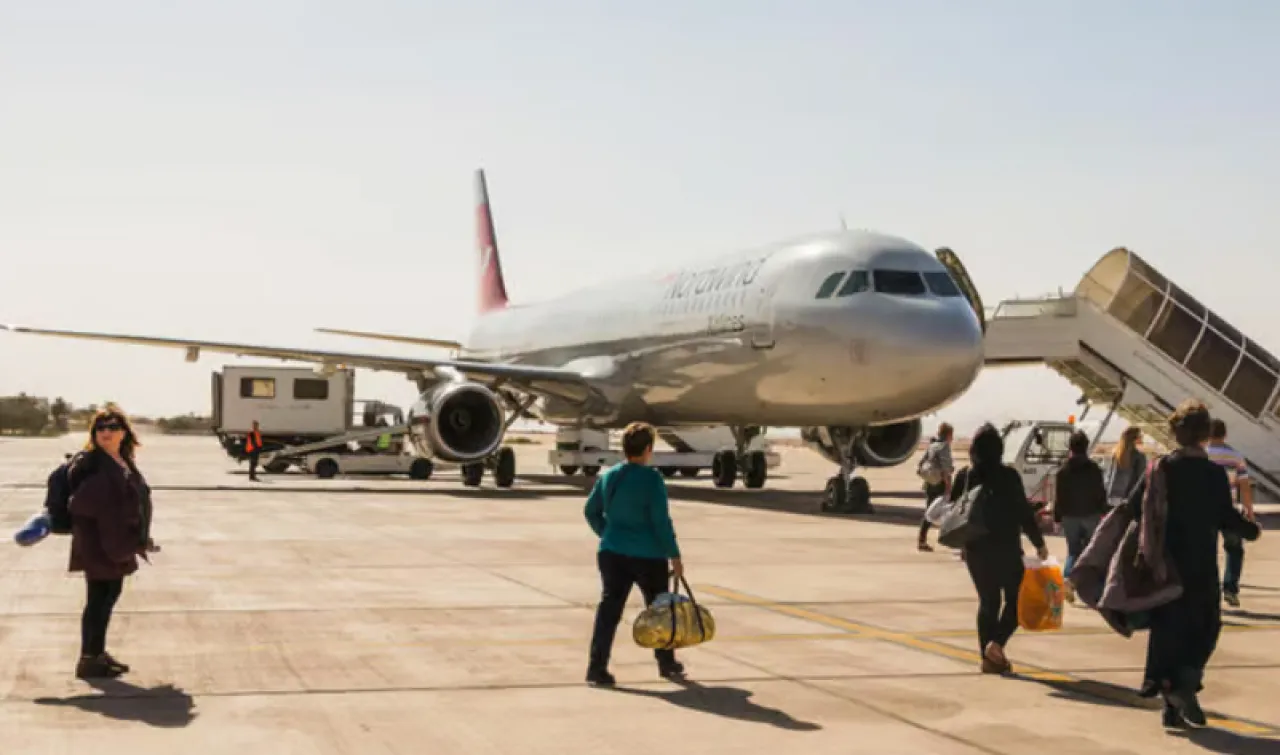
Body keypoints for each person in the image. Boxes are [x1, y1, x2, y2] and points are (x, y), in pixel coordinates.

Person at [1127, 399, 1261, 728]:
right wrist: (1250, 530)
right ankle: (1185, 686)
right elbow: (1226, 516)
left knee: (1168, 631)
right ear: (1204, 434)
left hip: (1164, 566)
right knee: (1205, 629)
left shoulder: (1160, 469)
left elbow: (1132, 508)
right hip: (1199, 568)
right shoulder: (1212, 474)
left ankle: (1171, 706)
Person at [583, 421, 685, 686]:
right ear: (648, 449)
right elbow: (661, 522)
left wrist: (607, 533)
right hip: (648, 555)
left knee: (609, 611)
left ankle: (596, 667)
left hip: (612, 553)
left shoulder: (610, 476)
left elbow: (590, 511)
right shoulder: (652, 479)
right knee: (659, 610)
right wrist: (674, 555)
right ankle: (666, 662)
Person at [950, 423, 1049, 674]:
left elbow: (954, 509)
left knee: (988, 602)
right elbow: (1024, 513)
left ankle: (988, 658)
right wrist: (1039, 543)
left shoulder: (965, 476)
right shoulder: (1009, 476)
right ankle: (997, 644)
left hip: (975, 549)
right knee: (1017, 599)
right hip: (1006, 548)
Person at [67, 407, 155, 679]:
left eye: (113, 427)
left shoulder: (121, 460)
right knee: (99, 600)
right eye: (100, 427)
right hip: (100, 543)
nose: (106, 431)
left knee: (107, 598)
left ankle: (97, 653)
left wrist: (140, 534)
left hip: (117, 542)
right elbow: (80, 504)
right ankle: (89, 659)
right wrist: (113, 518)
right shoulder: (94, 462)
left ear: (124, 432)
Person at [1052, 430, 1109, 602]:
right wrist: (1104, 511)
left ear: (1070, 447)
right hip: (1091, 514)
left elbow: (1059, 497)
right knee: (1092, 551)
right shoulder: (1094, 469)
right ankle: (1091, 587)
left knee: (1073, 551)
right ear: (1086, 447)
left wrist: (1057, 517)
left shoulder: (1063, 471)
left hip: (1070, 516)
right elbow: (1100, 493)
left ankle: (1067, 580)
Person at [1206, 419, 1253, 608]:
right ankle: (1230, 588)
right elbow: (1244, 486)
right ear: (1225, 434)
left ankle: (1209, 591)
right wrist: (1249, 510)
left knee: (1206, 551)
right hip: (1229, 509)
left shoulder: (1202, 455)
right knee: (1234, 549)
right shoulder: (1235, 456)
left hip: (1205, 511)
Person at [916, 422, 955, 553]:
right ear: (948, 435)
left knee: (929, 513)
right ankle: (950, 541)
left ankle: (921, 540)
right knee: (947, 512)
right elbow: (945, 468)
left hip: (929, 483)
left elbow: (922, 463)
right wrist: (948, 485)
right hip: (940, 484)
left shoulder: (932, 445)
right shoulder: (944, 447)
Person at [1103, 426, 1146, 507]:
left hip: (1111, 495)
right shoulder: (1139, 456)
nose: (1142, 438)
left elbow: (1109, 476)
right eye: (1141, 436)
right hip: (1127, 498)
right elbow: (1140, 481)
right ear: (1135, 438)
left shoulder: (1116, 454)